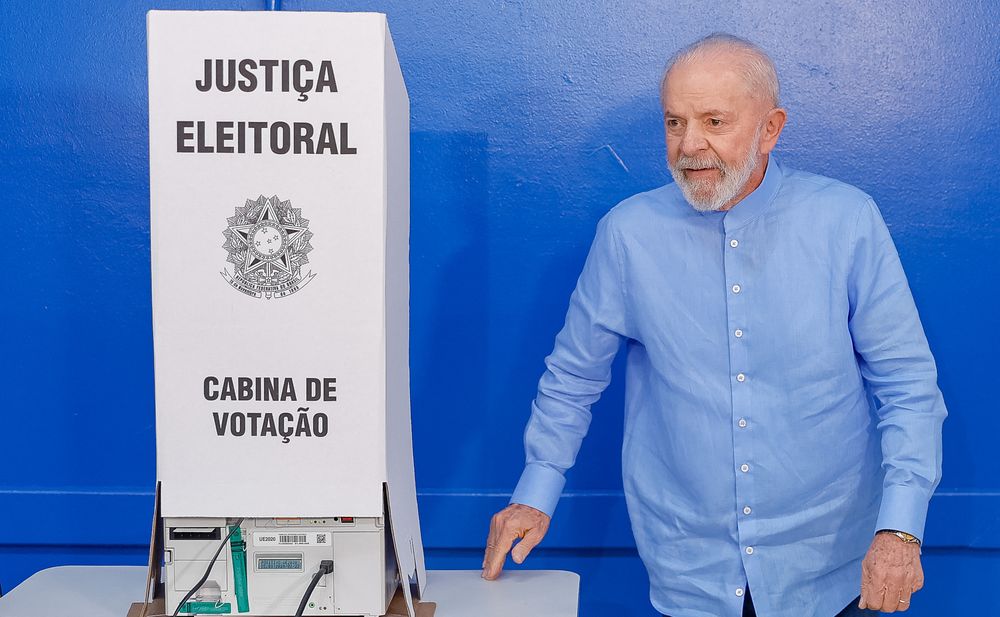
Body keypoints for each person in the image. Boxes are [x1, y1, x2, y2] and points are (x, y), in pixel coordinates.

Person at [481, 33, 946, 617]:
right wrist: (536, 493)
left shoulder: (846, 221)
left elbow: (906, 385)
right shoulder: (627, 235)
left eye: (714, 121)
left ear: (770, 128)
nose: (689, 145)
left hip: (831, 568)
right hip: (688, 567)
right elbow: (573, 376)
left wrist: (900, 532)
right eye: (674, 123)